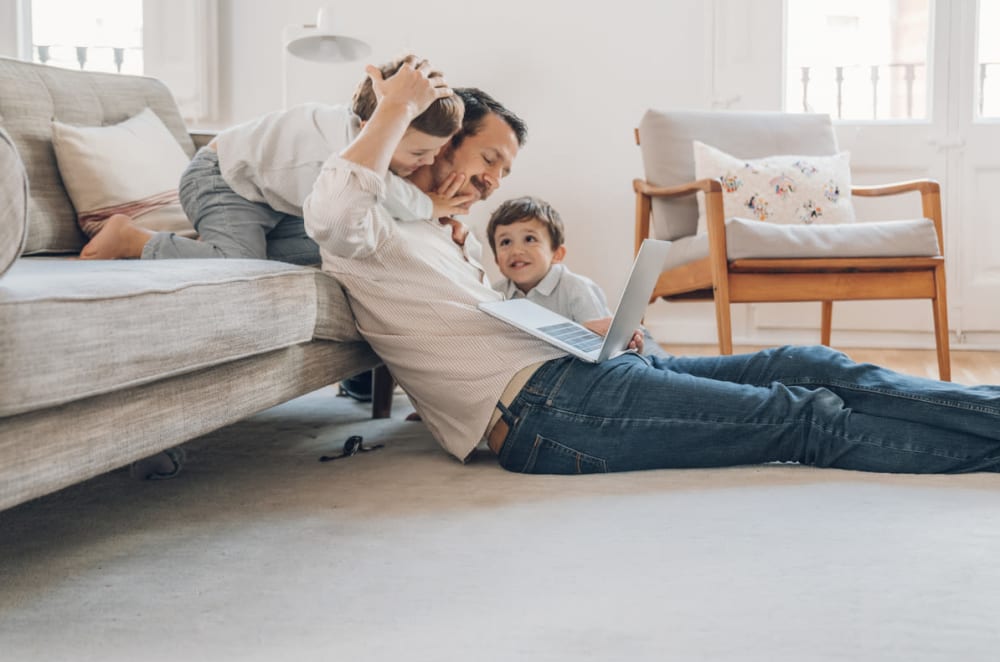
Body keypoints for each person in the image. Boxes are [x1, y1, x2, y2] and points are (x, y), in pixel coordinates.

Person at [304, 59, 1000, 476]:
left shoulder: (442, 235)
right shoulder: (363, 224)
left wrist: (597, 334)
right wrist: (396, 106)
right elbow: (335, 212)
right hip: (544, 415)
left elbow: (490, 325)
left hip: (586, 375)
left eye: (503, 173)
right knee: (802, 416)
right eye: (487, 161)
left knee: (814, 362)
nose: (490, 184)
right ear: (437, 143)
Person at [79, 54, 476, 263]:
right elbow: (381, 192)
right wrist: (430, 205)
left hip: (273, 202)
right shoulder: (341, 147)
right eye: (419, 153)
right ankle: (133, 239)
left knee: (340, 252)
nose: (425, 164)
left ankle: (212, 242)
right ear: (375, 124)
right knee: (239, 261)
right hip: (222, 181)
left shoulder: (356, 133)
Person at [486, 195, 668, 357]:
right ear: (496, 259)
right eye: (505, 242)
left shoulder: (576, 288)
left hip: (635, 343)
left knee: (671, 367)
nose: (516, 250)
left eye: (529, 239)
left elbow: (602, 343)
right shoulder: (494, 295)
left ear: (557, 254)